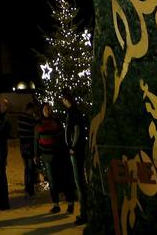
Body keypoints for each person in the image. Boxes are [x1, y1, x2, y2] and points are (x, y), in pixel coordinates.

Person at [33, 102, 73, 214]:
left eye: (49, 109)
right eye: (45, 109)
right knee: (52, 182)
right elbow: (36, 140)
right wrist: (36, 154)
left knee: (63, 180)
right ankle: (56, 204)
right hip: (47, 157)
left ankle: (70, 203)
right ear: (42, 111)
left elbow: (62, 137)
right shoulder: (38, 124)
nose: (47, 111)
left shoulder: (56, 122)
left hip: (58, 155)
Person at [60, 90, 89, 224]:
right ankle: (85, 211)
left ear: (67, 100)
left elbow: (76, 130)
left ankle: (85, 214)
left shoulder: (73, 112)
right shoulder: (75, 111)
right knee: (80, 181)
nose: (62, 101)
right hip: (77, 149)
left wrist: (72, 146)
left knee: (79, 182)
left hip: (76, 151)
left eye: (63, 99)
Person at [16, 101, 38, 197]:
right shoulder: (31, 119)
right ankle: (30, 189)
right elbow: (35, 130)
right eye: (33, 110)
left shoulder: (20, 117)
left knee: (26, 167)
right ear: (30, 109)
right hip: (29, 145)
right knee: (30, 168)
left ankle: (27, 186)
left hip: (22, 145)